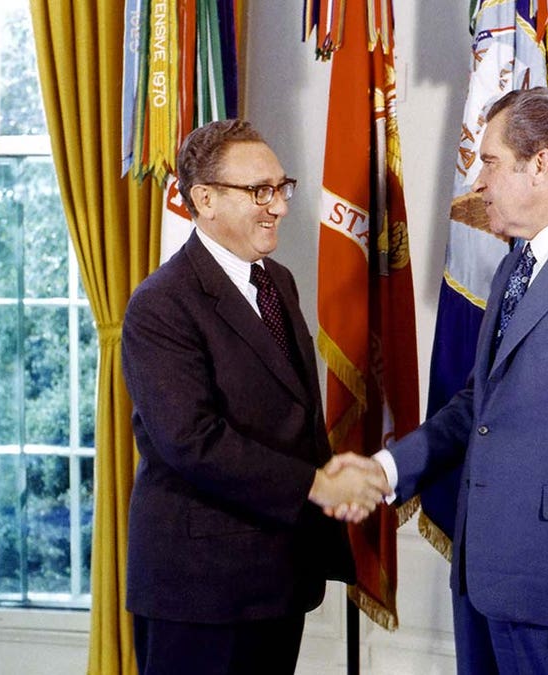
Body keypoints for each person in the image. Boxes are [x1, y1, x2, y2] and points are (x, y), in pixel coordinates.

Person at [336, 87, 548, 674]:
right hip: (482, 574)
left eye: (492, 162)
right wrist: (387, 469)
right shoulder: (513, 267)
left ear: (541, 165)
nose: (478, 182)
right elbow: (479, 405)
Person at [121, 119, 389, 675]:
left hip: (275, 578)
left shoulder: (277, 282)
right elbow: (192, 441)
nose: (279, 207)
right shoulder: (160, 305)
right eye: (258, 192)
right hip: (199, 591)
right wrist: (318, 484)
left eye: (281, 187)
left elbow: (293, 416)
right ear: (205, 200)